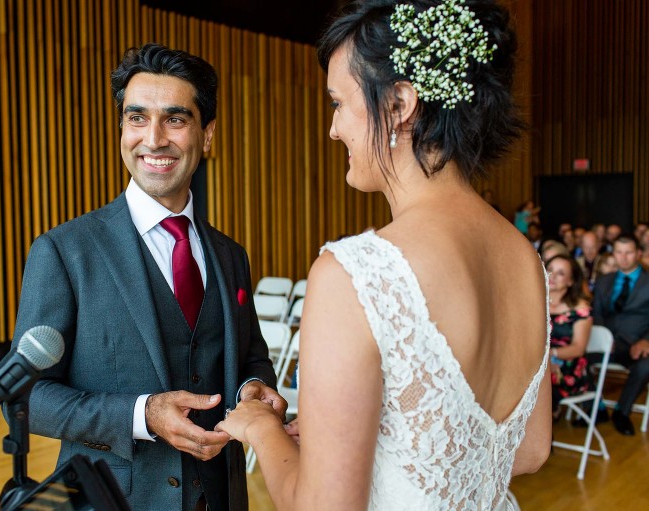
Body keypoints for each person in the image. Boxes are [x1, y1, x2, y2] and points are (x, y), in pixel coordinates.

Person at [216, 1, 551, 509]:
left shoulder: (358, 273)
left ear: (398, 104)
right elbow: (529, 452)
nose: (333, 130)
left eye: (337, 103)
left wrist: (262, 429)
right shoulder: (526, 260)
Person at [10, 43, 285, 510]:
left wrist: (253, 389)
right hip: (113, 499)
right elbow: (24, 397)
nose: (153, 139)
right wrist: (141, 414)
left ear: (208, 134)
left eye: (175, 120)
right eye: (137, 118)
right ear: (122, 127)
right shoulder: (63, 251)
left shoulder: (231, 255)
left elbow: (252, 359)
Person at [591, 235, 649, 436]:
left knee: (646, 365)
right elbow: (596, 313)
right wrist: (601, 337)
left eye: (629, 252)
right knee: (575, 357)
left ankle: (621, 412)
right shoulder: (604, 281)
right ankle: (596, 408)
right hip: (604, 343)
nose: (623, 258)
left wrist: (646, 341)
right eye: (618, 252)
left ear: (639, 254)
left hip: (633, 344)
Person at [546, 255, 593, 421]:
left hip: (566, 365)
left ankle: (541, 437)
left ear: (571, 281)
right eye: (550, 269)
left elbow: (578, 348)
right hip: (537, 363)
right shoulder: (534, 301)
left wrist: (550, 355)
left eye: (560, 273)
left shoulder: (580, 308)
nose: (552, 276)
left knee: (539, 382)